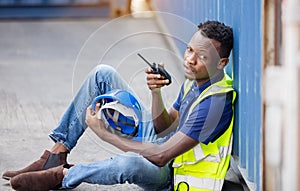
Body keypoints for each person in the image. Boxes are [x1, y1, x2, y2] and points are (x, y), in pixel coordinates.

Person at [3, 20, 235, 191]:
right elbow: (162, 127)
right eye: (189, 50)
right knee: (103, 74)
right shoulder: (196, 81)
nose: (189, 59)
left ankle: (63, 175)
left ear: (221, 62)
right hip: (165, 147)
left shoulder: (215, 103)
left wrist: (104, 134)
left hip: (170, 176)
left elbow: (162, 156)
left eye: (201, 56)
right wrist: (156, 93)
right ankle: (56, 154)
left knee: (131, 162)